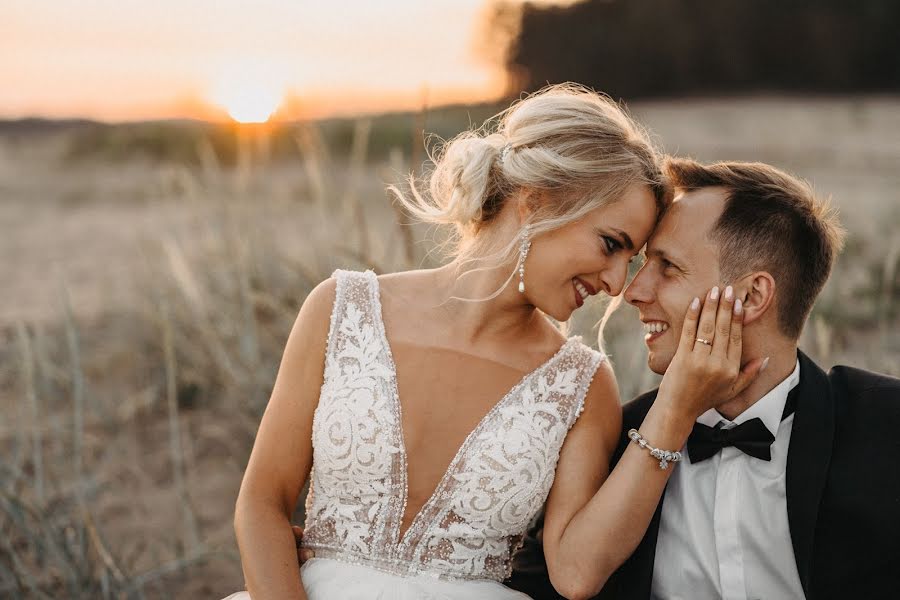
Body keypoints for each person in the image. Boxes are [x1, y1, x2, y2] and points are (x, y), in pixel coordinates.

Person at [224, 84, 763, 600]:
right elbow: (262, 503)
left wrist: (676, 409)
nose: (617, 285)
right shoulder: (341, 310)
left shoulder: (579, 384)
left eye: (632, 260)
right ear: (537, 198)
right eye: (610, 244)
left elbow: (577, 574)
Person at [506, 158, 900, 599]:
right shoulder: (611, 442)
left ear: (751, 296)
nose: (632, 292)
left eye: (668, 267)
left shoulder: (885, 426)